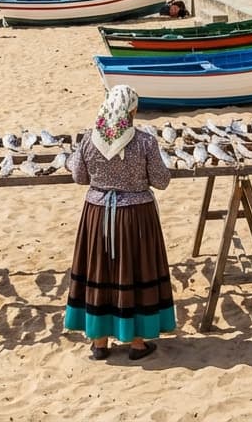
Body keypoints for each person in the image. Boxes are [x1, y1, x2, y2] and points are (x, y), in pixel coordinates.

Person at [64, 85, 175, 362]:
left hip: (98, 214)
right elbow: (162, 181)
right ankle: (137, 343)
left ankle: (99, 342)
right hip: (136, 217)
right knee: (134, 271)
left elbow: (78, 176)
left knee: (101, 272)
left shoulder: (89, 140)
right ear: (132, 110)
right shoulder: (145, 142)